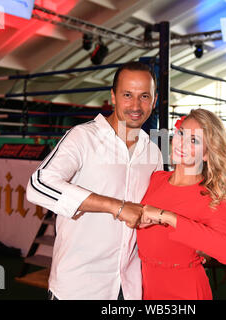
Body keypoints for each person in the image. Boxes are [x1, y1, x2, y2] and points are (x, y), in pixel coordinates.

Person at [26, 61, 163, 300]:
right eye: (127, 95)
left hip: (128, 286)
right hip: (79, 286)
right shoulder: (82, 137)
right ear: (113, 96)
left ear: (154, 99)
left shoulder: (154, 152)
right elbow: (38, 185)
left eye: (144, 96)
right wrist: (116, 207)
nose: (135, 105)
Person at [136, 109, 226, 300]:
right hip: (145, 285)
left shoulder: (212, 198)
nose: (181, 143)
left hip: (184, 290)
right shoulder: (156, 178)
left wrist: (167, 217)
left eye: (194, 140)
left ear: (207, 154)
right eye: (181, 133)